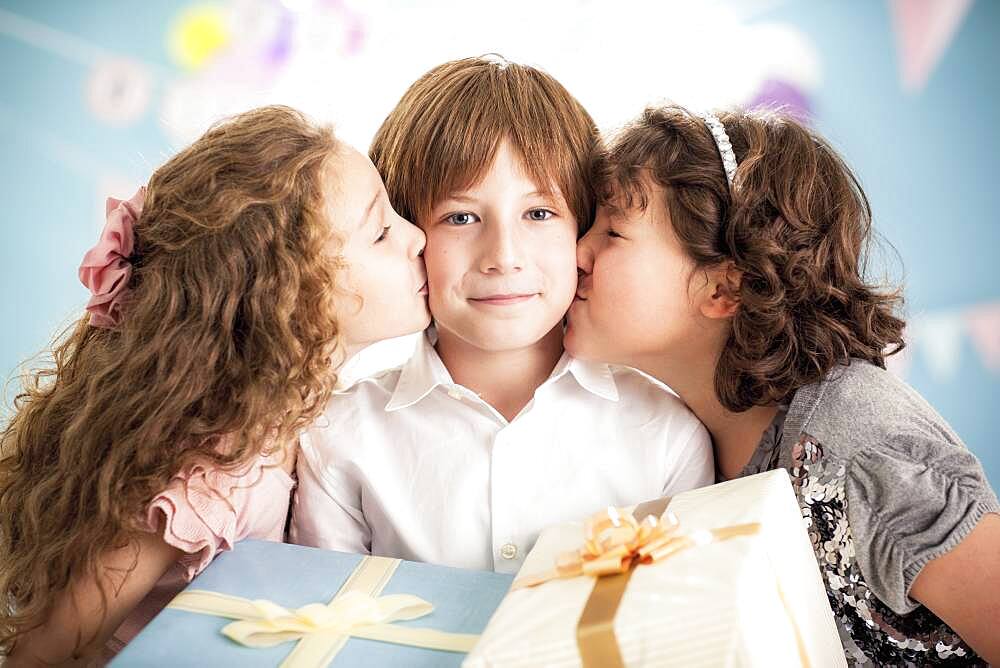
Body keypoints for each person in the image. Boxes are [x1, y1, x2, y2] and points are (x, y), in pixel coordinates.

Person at [566, 103, 1000, 664]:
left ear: (724, 288)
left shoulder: (863, 449)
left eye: (613, 232)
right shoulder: (680, 435)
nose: (577, 251)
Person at [1, 105, 430, 664]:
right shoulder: (208, 477)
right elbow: (44, 655)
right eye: (380, 232)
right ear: (287, 298)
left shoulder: (286, 418)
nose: (417, 236)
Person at [291, 57, 713, 574]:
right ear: (408, 235)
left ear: (582, 230)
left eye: (539, 214)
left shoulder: (666, 435)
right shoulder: (338, 435)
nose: (504, 255)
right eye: (461, 217)